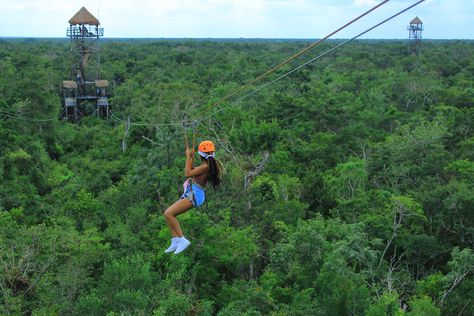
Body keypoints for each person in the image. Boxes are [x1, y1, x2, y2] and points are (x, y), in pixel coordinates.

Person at [163, 140, 222, 254]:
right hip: (193, 193)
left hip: (195, 194)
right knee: (168, 214)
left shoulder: (206, 166)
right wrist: (190, 158)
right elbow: (192, 171)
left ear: (201, 154)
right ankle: (175, 240)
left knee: (169, 213)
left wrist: (187, 157)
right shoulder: (208, 165)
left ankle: (182, 240)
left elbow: (188, 173)